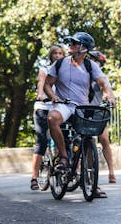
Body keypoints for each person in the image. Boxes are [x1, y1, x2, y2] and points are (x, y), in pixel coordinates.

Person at [44, 32, 116, 180]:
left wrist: (109, 94)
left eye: (75, 43)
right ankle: (63, 156)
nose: (70, 45)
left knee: (89, 140)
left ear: (84, 48)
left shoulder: (91, 66)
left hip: (82, 107)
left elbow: (103, 83)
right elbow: (47, 85)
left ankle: (91, 182)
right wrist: (53, 96)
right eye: (70, 43)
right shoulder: (59, 64)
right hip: (64, 104)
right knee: (52, 118)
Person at [30, 44, 66, 190]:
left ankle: (66, 169)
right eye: (55, 53)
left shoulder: (65, 71)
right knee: (42, 141)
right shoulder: (45, 69)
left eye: (60, 53)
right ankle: (34, 177)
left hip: (58, 108)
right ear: (51, 56)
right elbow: (41, 83)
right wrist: (40, 95)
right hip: (43, 107)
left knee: (65, 138)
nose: (57, 56)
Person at [89, 50, 117, 184]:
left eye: (97, 61)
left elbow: (108, 91)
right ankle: (85, 170)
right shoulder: (82, 74)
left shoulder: (102, 77)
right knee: (86, 141)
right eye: (92, 60)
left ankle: (111, 171)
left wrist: (109, 98)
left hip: (97, 111)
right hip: (81, 110)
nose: (94, 63)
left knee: (104, 139)